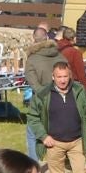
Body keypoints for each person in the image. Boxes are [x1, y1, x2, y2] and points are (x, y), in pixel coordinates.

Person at [23, 25, 64, 163]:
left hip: (41, 98)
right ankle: (58, 160)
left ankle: (34, 165)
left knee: (32, 131)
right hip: (60, 96)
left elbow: (33, 83)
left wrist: (43, 95)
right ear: (47, 37)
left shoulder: (32, 59)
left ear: (33, 39)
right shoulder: (60, 55)